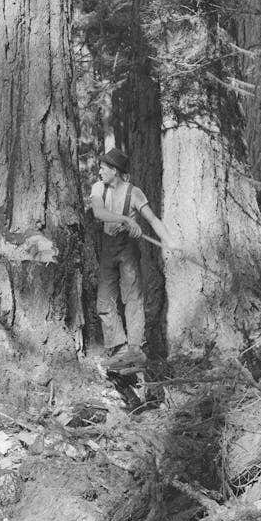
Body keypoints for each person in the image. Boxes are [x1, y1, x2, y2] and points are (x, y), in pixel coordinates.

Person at [89, 148, 174, 365]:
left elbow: (153, 220)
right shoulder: (98, 188)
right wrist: (127, 220)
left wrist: (170, 242)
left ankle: (135, 349)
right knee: (104, 301)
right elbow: (98, 213)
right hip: (107, 250)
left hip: (128, 251)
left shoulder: (134, 193)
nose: (99, 171)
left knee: (133, 299)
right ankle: (118, 349)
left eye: (103, 168)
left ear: (115, 171)